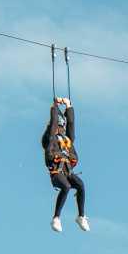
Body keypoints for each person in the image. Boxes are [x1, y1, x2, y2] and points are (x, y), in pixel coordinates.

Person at [41, 96, 89, 233]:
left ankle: (81, 216)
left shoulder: (67, 140)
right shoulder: (50, 138)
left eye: (62, 126)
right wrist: (55, 107)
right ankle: (56, 218)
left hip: (67, 172)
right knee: (66, 187)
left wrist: (69, 106)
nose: (61, 128)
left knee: (80, 185)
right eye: (59, 126)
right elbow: (53, 124)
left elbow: (71, 126)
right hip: (56, 173)